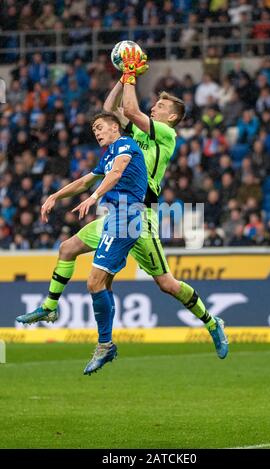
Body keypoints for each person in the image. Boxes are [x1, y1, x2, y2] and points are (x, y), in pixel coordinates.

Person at [17, 48, 228, 360]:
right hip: (117, 213)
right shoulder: (132, 136)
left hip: (140, 217)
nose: (154, 108)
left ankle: (212, 322)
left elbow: (129, 110)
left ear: (171, 116)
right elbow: (110, 109)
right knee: (68, 248)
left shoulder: (166, 134)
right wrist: (123, 77)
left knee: (167, 284)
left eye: (160, 106)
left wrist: (131, 74)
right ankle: (50, 309)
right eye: (154, 104)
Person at [17, 111, 148, 375]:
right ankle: (50, 308)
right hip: (112, 217)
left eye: (100, 127)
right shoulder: (108, 154)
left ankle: (105, 345)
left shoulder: (125, 145)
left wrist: (94, 196)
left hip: (127, 218)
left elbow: (117, 174)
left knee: (94, 282)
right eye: (94, 130)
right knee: (67, 248)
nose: (97, 133)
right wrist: (55, 195)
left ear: (115, 127)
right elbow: (85, 180)